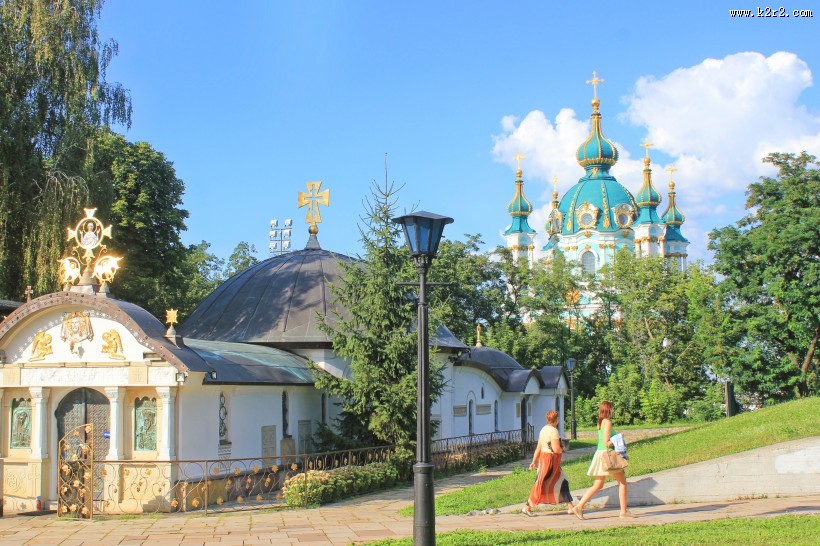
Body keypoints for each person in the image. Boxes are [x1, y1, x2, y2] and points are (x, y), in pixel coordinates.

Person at [571, 400, 635, 520]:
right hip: (607, 456)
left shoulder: (600, 422)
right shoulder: (608, 422)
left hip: (600, 455)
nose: (613, 411)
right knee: (622, 483)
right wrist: (619, 437)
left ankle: (579, 507)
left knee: (598, 484)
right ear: (608, 410)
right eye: (612, 408)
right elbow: (606, 442)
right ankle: (623, 511)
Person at [521, 410, 574, 517]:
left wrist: (534, 461)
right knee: (540, 483)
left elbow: (538, 448)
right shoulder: (554, 431)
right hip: (551, 460)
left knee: (562, 481)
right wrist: (562, 448)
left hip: (544, 459)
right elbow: (555, 448)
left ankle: (571, 507)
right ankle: (527, 507)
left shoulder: (543, 430)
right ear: (557, 420)